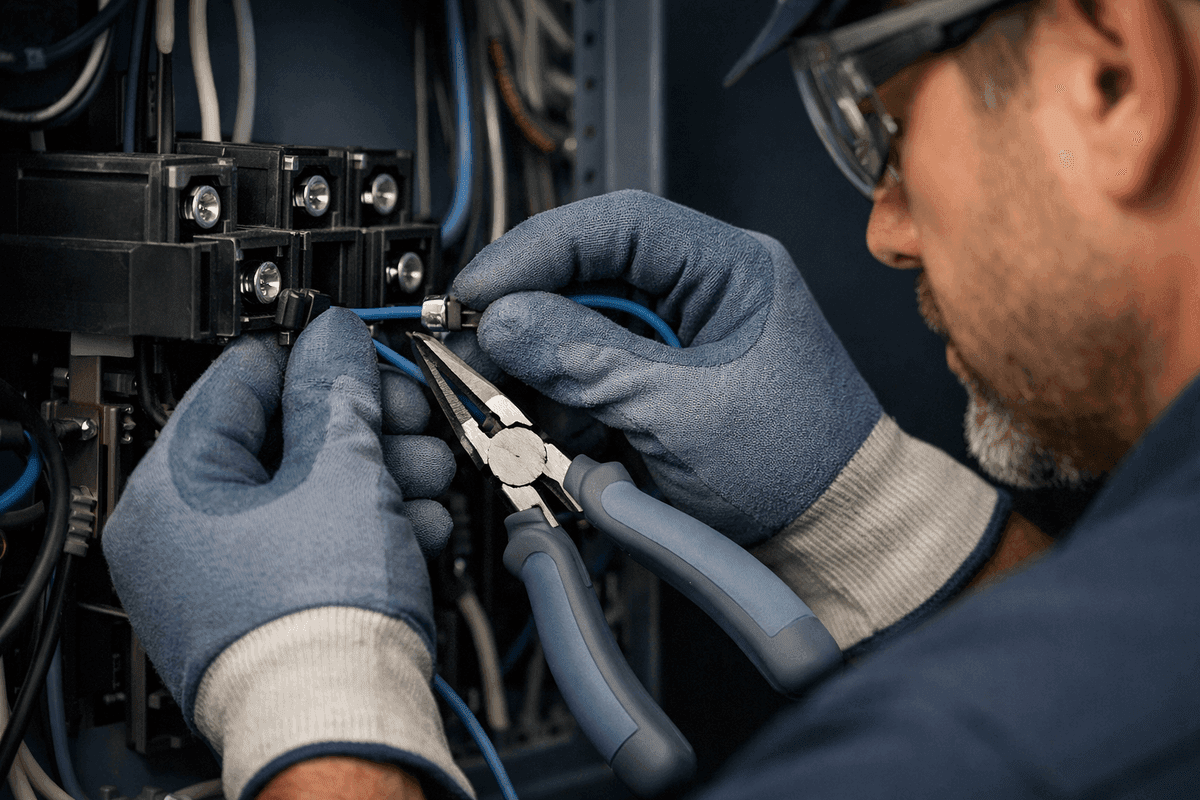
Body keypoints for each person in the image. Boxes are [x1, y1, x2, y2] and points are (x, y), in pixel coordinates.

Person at [100, 0, 1200, 797]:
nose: (885, 229)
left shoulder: (945, 758)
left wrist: (315, 716)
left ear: (1112, 74)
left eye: (888, 129)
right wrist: (877, 519)